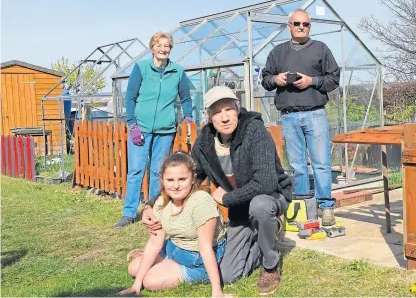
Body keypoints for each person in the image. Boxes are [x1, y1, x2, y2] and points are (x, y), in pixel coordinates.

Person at [141, 86, 292, 295]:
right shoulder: (205, 141)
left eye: (229, 110)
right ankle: (265, 235)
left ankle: (270, 264)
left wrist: (228, 197)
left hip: (270, 198)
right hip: (240, 208)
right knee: (228, 275)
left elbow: (266, 182)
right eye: (217, 112)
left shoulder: (255, 131)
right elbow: (188, 177)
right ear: (209, 117)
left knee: (260, 206)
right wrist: (150, 206)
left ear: (237, 110)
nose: (224, 117)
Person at [260, 8, 340, 226]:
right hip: (289, 116)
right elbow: (265, 79)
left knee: (321, 163)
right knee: (297, 165)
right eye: (297, 24)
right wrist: (276, 79)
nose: (301, 27)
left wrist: (311, 81)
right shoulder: (278, 52)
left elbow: (334, 78)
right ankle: (305, 208)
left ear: (310, 27)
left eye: (305, 24)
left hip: (315, 113)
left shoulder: (321, 49)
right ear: (289, 27)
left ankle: (326, 208)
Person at [120, 152, 231, 297]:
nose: (176, 186)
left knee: (150, 281)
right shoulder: (160, 202)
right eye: (170, 180)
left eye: (182, 179)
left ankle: (181, 269)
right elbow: (154, 243)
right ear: (163, 180)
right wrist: (136, 284)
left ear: (193, 179)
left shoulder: (201, 202)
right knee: (133, 269)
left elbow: (205, 248)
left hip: (196, 258)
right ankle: (165, 262)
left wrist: (217, 291)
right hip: (174, 247)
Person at [115, 31, 193, 228]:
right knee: (136, 170)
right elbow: (130, 97)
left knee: (158, 172)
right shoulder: (141, 68)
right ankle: (129, 214)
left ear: (170, 49)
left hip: (165, 130)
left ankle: (154, 210)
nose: (163, 49)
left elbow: (185, 98)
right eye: (159, 45)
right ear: (152, 48)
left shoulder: (177, 71)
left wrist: (189, 116)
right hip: (140, 128)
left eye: (167, 46)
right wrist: (132, 124)